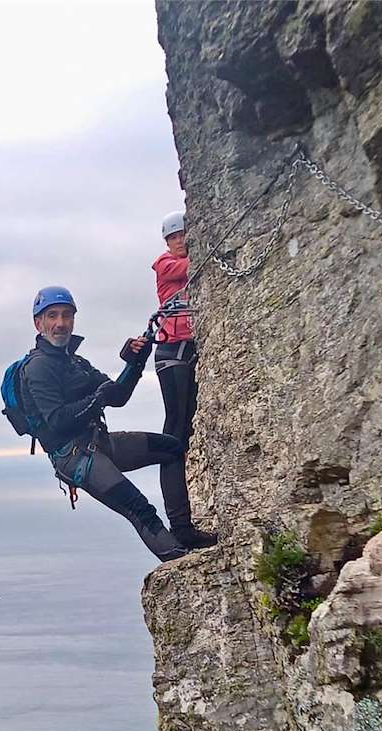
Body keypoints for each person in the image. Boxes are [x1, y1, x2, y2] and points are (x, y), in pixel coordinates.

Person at [19, 285, 191, 562]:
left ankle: (183, 532)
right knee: (137, 507)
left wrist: (135, 362)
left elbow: (117, 395)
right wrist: (97, 399)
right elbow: (57, 421)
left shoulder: (75, 362)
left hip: (99, 442)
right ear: (38, 323)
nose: (60, 323)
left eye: (66, 315)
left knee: (171, 448)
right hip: (73, 458)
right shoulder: (38, 367)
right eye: (52, 316)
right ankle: (180, 561)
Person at [151, 211, 217, 549]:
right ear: (167, 242)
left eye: (183, 235)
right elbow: (190, 266)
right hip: (172, 352)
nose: (180, 241)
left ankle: (182, 524)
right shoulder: (164, 264)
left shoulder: (177, 259)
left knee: (182, 433)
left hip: (184, 349)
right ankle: (181, 527)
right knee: (174, 435)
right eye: (174, 237)